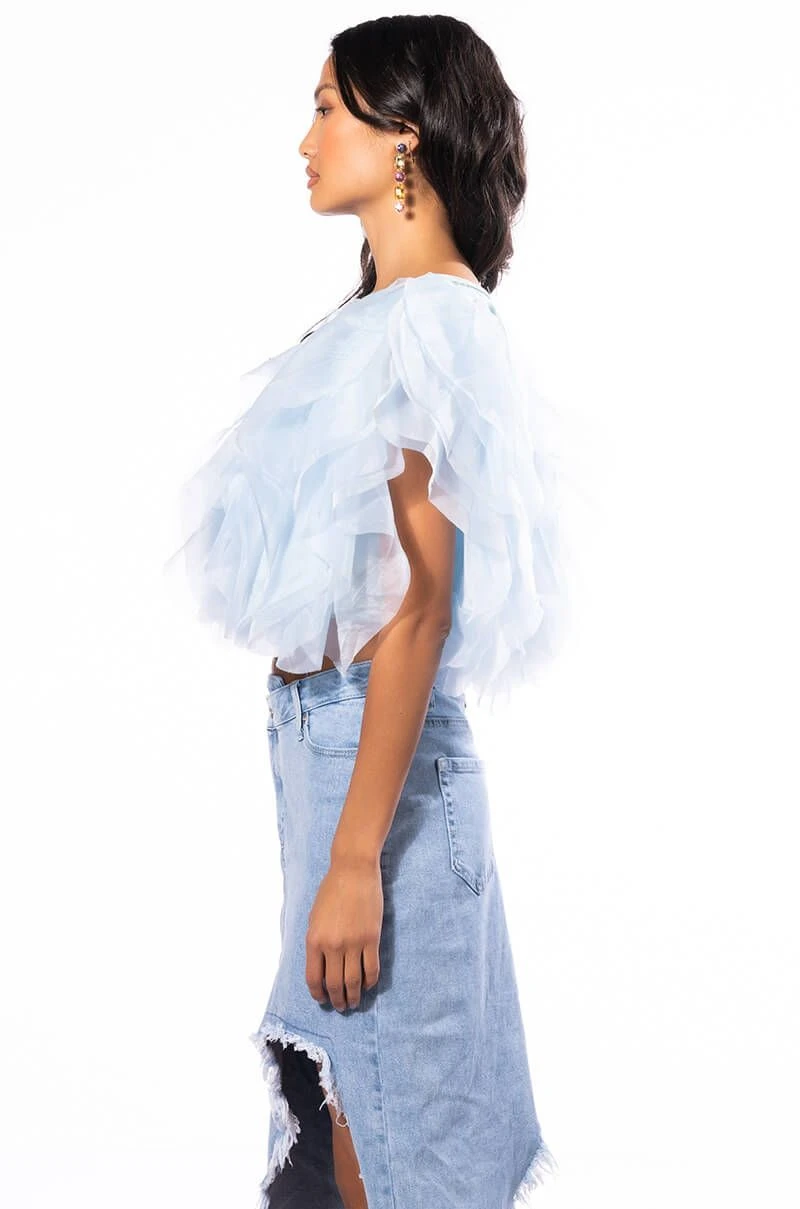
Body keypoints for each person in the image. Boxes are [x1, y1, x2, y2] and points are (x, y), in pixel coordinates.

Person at [164, 14, 568, 1209]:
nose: (304, 139)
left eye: (326, 108)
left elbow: (422, 604)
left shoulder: (432, 323)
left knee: (395, 1144)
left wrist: (354, 858)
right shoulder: (378, 323)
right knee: (349, 1125)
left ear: (403, 135)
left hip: (376, 779)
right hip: (329, 759)